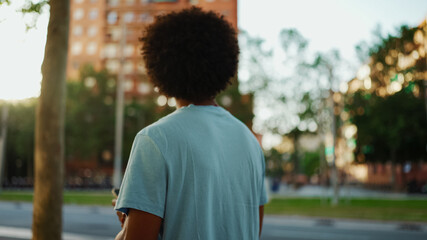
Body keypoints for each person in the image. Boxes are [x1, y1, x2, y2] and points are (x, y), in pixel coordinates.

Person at [113, 7, 268, 240]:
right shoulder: (250, 142)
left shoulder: (155, 139)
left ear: (158, 64)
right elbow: (251, 229)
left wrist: (126, 227)